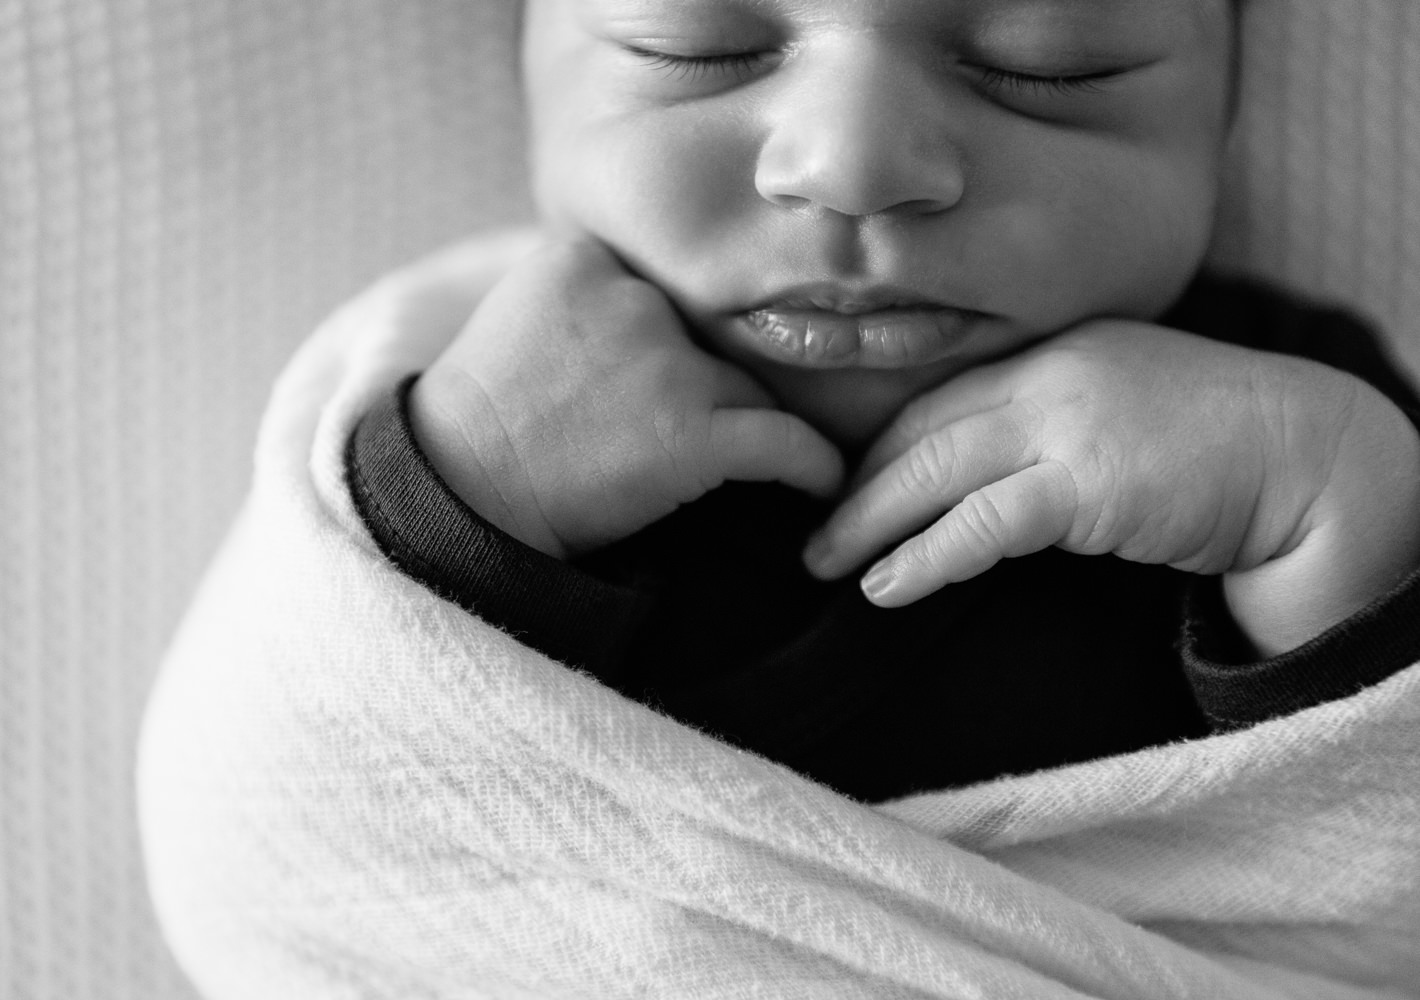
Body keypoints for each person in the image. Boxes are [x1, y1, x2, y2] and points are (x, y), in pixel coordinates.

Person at [343, 0, 1420, 802]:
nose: (850, 165)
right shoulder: (465, 398)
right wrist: (466, 497)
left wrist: (1341, 518)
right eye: (695, 46)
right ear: (532, 95)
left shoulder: (1288, 425)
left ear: (1219, 127)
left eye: (1049, 61)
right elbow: (308, 803)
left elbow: (1375, 872)